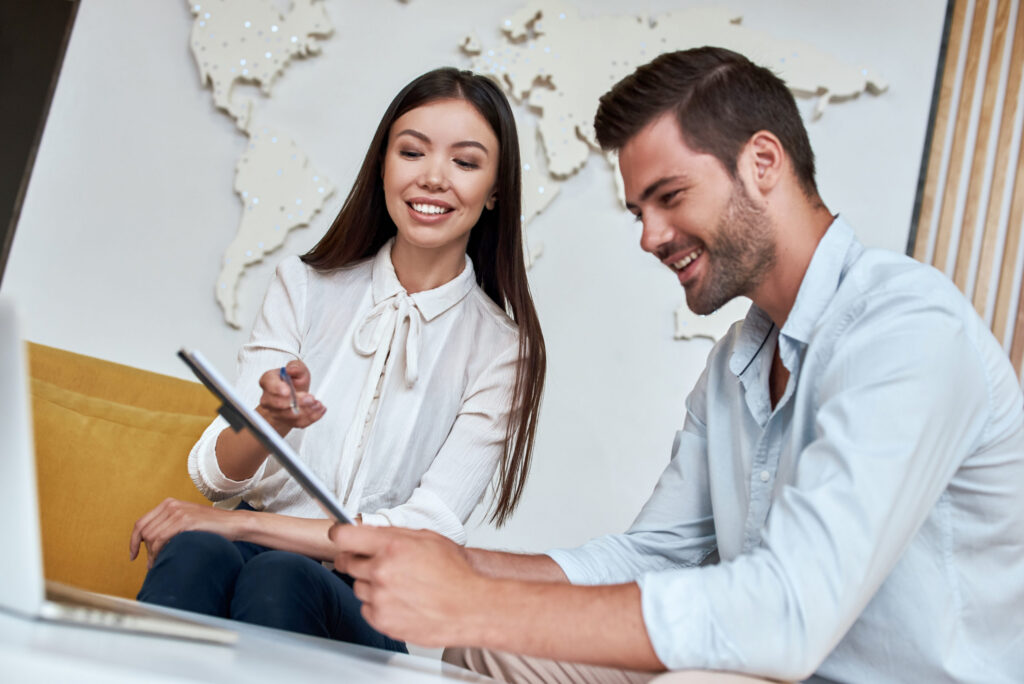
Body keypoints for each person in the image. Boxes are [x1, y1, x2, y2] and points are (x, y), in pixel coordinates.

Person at [326, 47, 1024, 682]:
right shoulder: (733, 369)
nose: (650, 236)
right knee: (497, 649)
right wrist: (450, 567)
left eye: (670, 196)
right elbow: (649, 559)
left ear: (763, 163)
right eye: (638, 211)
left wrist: (472, 602)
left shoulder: (907, 328)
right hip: (780, 666)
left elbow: (788, 612)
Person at [128, 67, 546, 653]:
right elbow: (214, 477)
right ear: (383, 165)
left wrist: (243, 524)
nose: (432, 178)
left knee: (279, 573)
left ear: (496, 190)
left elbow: (429, 528)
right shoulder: (302, 286)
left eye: (465, 162)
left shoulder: (504, 351)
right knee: (195, 550)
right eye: (412, 152)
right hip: (247, 542)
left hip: (372, 593)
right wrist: (269, 421)